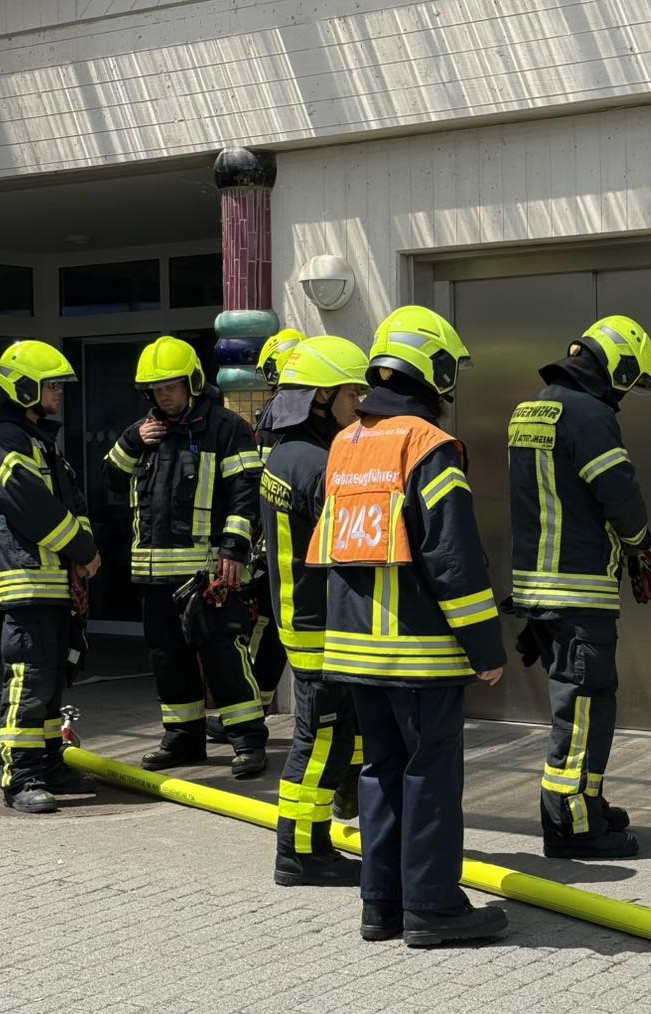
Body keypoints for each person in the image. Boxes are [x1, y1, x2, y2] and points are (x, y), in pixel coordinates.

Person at [308, 306, 509, 947]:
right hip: (420, 652)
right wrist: (485, 646)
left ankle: (382, 904)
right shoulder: (428, 445)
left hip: (355, 651)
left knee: (380, 771)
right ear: (434, 370)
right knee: (430, 775)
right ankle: (433, 908)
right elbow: (453, 557)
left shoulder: (345, 444)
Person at [506, 315, 651, 859]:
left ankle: (585, 802)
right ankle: (573, 826)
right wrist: (640, 544)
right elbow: (618, 493)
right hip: (579, 592)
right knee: (585, 711)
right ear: (616, 367)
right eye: (629, 382)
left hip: (539, 588)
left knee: (575, 708)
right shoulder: (590, 414)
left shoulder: (533, 408)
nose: (624, 396)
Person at [104, 336, 267, 777]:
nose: (164, 397)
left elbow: (245, 492)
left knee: (224, 657)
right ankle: (183, 739)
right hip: (154, 577)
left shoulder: (226, 428)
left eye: (171, 387)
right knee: (167, 660)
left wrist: (234, 549)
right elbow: (111, 479)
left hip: (207, 573)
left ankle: (248, 740)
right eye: (156, 390)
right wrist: (132, 442)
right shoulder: (143, 433)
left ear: (193, 382)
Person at [260, 335, 369, 887]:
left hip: (302, 620)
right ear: (322, 397)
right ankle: (301, 852)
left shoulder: (286, 454)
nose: (360, 404)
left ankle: (313, 839)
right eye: (353, 393)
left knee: (329, 734)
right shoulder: (315, 464)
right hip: (319, 624)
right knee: (320, 739)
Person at [0, 340, 101, 813]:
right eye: (52, 385)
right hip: (27, 584)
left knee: (50, 686)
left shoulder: (41, 442)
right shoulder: (4, 445)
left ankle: (49, 765)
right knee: (29, 683)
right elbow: (33, 507)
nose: (60, 393)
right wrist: (82, 550)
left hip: (54, 585)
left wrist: (84, 556)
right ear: (25, 388)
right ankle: (21, 777)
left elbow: (73, 502)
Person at [205, 328, 304, 745]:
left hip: (279, 544)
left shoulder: (277, 417)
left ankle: (251, 710)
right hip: (290, 542)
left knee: (265, 630)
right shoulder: (309, 415)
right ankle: (254, 709)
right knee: (274, 631)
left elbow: (261, 485)